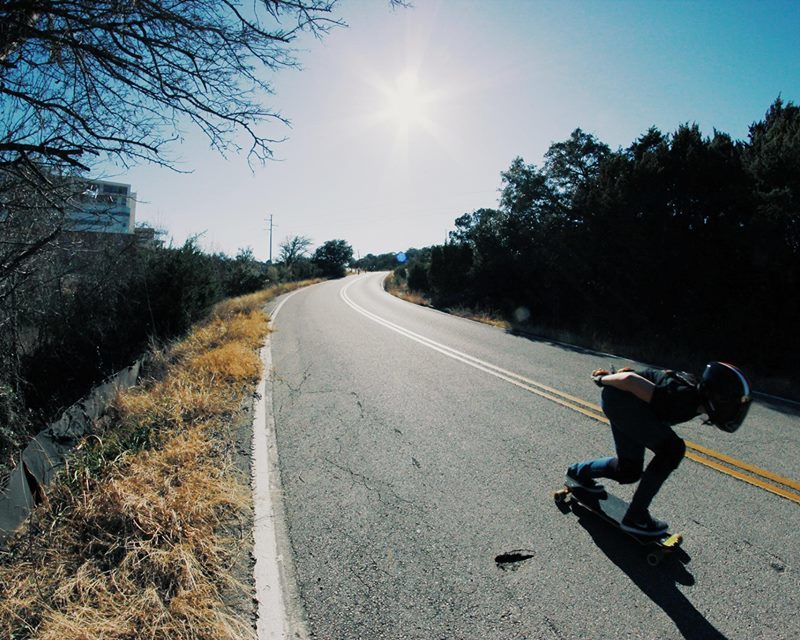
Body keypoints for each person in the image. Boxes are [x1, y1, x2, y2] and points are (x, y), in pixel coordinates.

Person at [566, 361, 752, 536]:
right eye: (733, 406)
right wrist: (601, 379)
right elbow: (629, 380)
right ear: (719, 398)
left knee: (629, 471)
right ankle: (636, 517)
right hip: (622, 401)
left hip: (624, 402)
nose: (735, 413)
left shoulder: (693, 397)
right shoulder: (681, 397)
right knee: (673, 449)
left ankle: (578, 473)